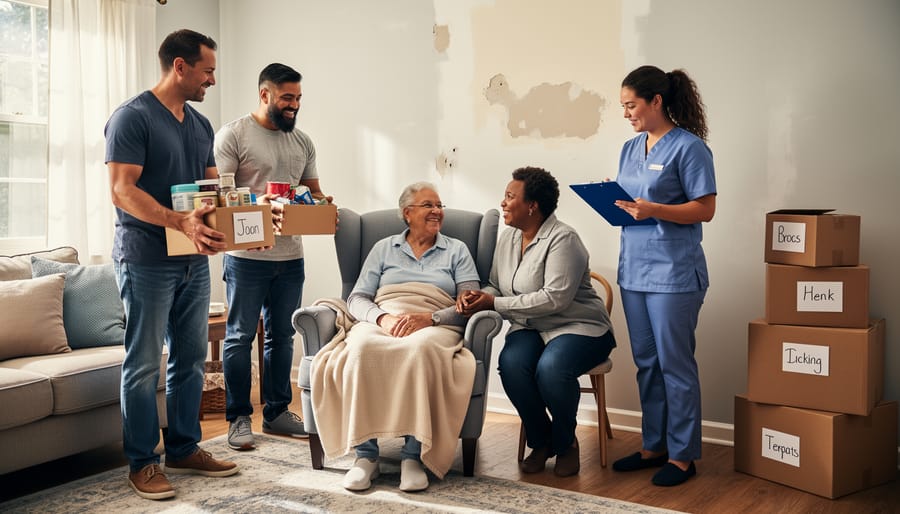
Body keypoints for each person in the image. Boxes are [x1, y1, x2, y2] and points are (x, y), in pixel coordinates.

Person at [105, 29, 239, 501]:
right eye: (207, 70)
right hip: (145, 261)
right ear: (179, 67)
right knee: (143, 364)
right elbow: (122, 190)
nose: (212, 80)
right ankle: (143, 462)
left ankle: (184, 447)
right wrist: (180, 222)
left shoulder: (201, 125)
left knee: (190, 361)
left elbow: (211, 193)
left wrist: (243, 231)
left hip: (192, 261)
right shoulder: (132, 118)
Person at [310, 182, 481, 493]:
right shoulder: (383, 248)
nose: (437, 211)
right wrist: (383, 318)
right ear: (407, 213)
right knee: (360, 347)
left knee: (419, 350)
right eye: (428, 205)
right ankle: (366, 457)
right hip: (385, 317)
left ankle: (413, 456)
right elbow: (358, 297)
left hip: (434, 323)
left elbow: (470, 303)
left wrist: (430, 318)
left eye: (439, 205)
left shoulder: (457, 250)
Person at [457, 167, 616, 478]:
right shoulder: (508, 237)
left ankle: (566, 443)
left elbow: (555, 298)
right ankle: (541, 440)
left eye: (510, 197)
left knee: (552, 368)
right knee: (512, 364)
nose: (503, 203)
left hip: (579, 326)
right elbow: (495, 283)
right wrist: (479, 295)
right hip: (531, 326)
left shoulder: (563, 239)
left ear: (532, 206)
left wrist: (496, 303)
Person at [214, 63, 332, 451]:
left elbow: (311, 192)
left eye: (298, 98)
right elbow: (220, 197)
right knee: (239, 338)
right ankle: (238, 418)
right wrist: (259, 202)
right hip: (246, 258)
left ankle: (278, 413)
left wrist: (320, 203)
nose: (294, 105)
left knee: (281, 337)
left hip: (290, 257)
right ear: (265, 95)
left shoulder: (302, 142)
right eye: (287, 98)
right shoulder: (233, 135)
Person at [610, 65, 716, 487]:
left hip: (673, 272)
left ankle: (683, 455)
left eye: (631, 105)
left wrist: (655, 210)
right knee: (647, 363)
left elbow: (704, 208)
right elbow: (631, 200)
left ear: (656, 101)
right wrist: (613, 200)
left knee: (675, 364)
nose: (626, 114)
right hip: (634, 269)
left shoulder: (690, 149)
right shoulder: (629, 148)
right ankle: (653, 445)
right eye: (622, 107)